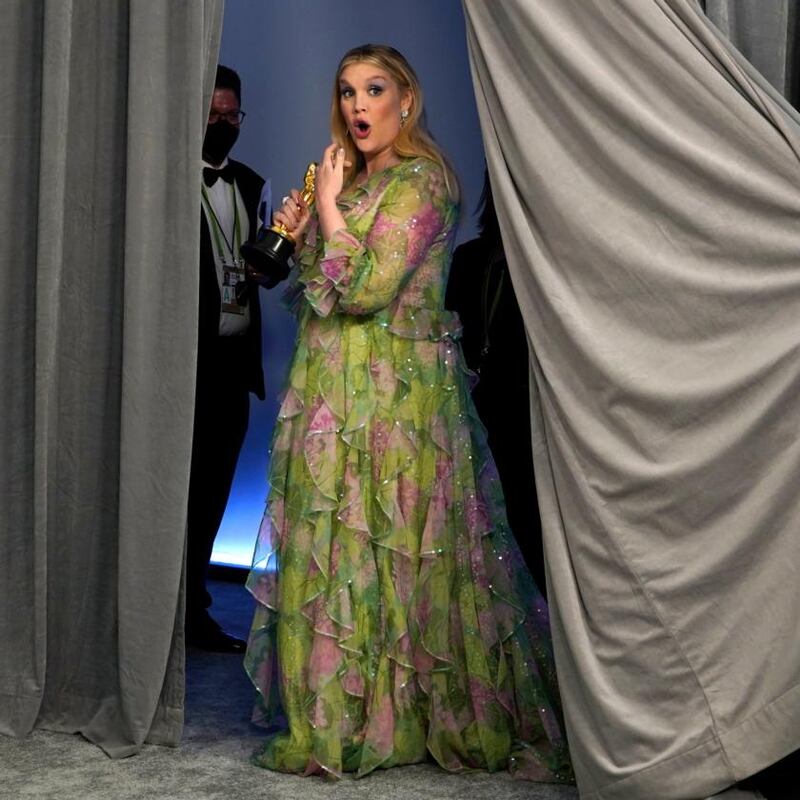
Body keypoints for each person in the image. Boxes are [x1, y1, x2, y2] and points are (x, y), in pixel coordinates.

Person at [244, 44, 572, 781]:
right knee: (335, 550)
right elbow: (315, 293)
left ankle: (413, 712)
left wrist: (329, 210)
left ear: (407, 101)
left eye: (374, 89)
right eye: (347, 92)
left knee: (395, 551)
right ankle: (346, 716)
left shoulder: (425, 185)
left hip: (397, 400)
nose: (358, 106)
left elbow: (365, 290)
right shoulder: (357, 183)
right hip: (332, 393)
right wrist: (302, 232)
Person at [187, 64, 271, 652]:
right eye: (213, 115)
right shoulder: (167, 183)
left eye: (231, 115)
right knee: (177, 489)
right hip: (182, 361)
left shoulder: (250, 181)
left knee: (215, 488)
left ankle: (195, 609)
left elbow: (269, 258)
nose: (224, 124)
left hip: (232, 362)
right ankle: (162, 611)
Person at [445, 172, 547, 595]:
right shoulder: (470, 259)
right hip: (472, 414)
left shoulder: (546, 269)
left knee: (524, 525)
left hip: (525, 421)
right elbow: (448, 335)